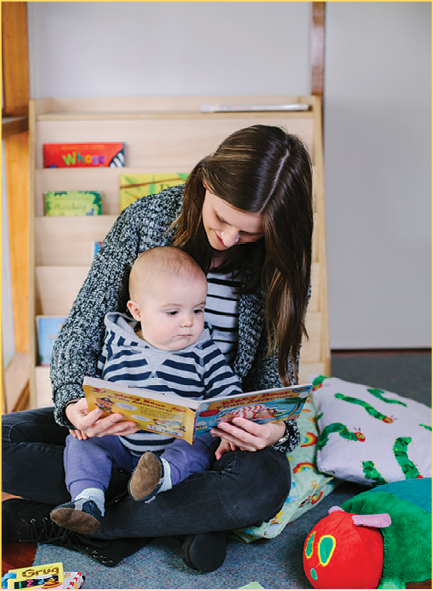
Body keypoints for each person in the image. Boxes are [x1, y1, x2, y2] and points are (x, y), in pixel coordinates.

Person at [2, 124, 314, 572]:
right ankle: (181, 516)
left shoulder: (281, 268)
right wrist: (74, 405)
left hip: (202, 443)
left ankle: (85, 518)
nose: (227, 238)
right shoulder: (147, 219)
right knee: (3, 441)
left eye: (249, 234)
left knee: (263, 485)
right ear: (206, 181)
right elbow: (82, 328)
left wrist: (273, 432)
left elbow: (272, 385)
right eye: (222, 218)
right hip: (117, 429)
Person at [50, 246, 243, 535]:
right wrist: (85, 415)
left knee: (202, 440)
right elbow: (96, 386)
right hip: (122, 443)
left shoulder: (204, 350)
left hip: (174, 447)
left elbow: (229, 392)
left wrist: (232, 421)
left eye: (198, 309)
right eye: (173, 311)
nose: (189, 321)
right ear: (137, 311)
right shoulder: (116, 343)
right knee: (79, 440)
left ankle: (159, 478)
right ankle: (88, 501)